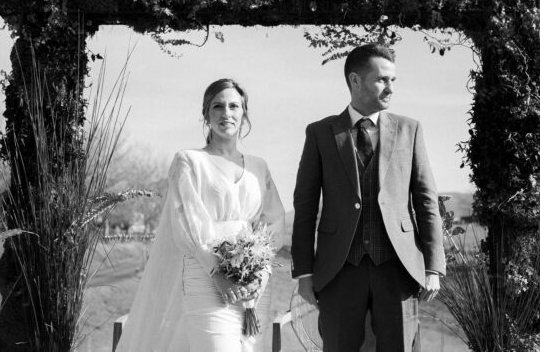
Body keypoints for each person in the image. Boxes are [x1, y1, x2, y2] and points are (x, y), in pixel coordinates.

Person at [291, 43, 445, 352]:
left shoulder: (409, 130)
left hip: (397, 268)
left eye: (393, 81)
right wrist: (304, 272)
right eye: (382, 80)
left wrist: (433, 266)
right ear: (355, 81)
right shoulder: (320, 133)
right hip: (339, 269)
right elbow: (305, 207)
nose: (390, 88)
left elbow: (426, 201)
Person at [116, 78, 285, 352]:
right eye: (217, 106)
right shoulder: (189, 161)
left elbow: (274, 221)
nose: (226, 113)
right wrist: (217, 273)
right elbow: (186, 223)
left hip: (253, 287)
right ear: (206, 114)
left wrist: (261, 274)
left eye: (234, 106)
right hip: (207, 278)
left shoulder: (259, 167)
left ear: (244, 114)